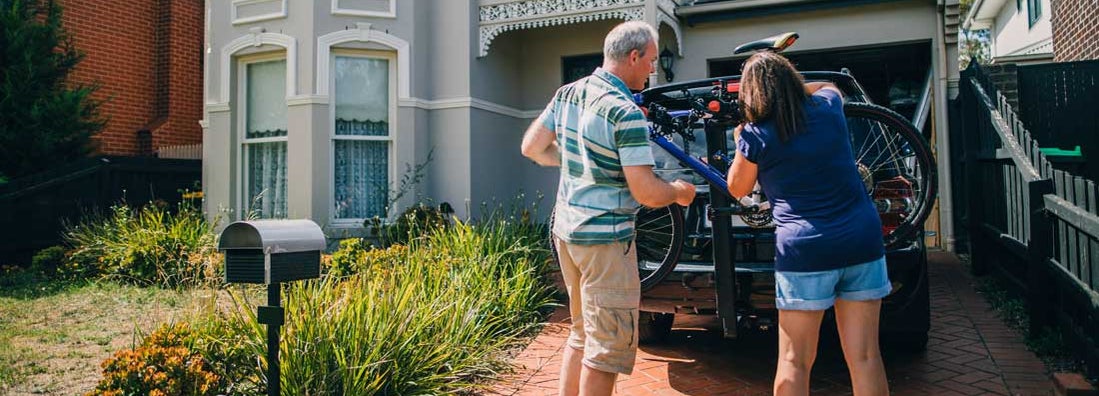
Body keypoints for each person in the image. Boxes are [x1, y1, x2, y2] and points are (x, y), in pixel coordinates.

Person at [520, 21, 696, 396]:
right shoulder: (624, 111)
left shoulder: (567, 93)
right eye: (650, 60)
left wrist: (576, 162)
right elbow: (647, 192)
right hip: (605, 242)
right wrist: (679, 191)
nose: (652, 69)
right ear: (633, 57)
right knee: (606, 352)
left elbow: (532, 148)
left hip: (567, 234)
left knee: (581, 334)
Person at [725, 52, 891, 396]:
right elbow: (828, 85)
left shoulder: (756, 135)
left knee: (794, 361)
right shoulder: (829, 107)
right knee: (865, 357)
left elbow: (736, 188)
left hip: (806, 251)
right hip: (861, 240)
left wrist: (741, 137)